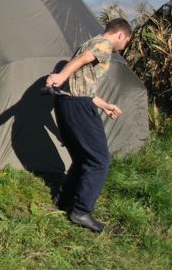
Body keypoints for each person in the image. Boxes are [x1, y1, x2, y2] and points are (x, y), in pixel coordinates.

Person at [45, 18, 132, 233]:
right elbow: (83, 60)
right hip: (78, 106)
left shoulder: (89, 43)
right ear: (120, 35)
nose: (124, 47)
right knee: (100, 161)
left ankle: (64, 200)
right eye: (126, 42)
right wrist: (61, 75)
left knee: (83, 158)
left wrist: (104, 105)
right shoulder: (104, 44)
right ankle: (81, 211)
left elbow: (82, 83)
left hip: (68, 102)